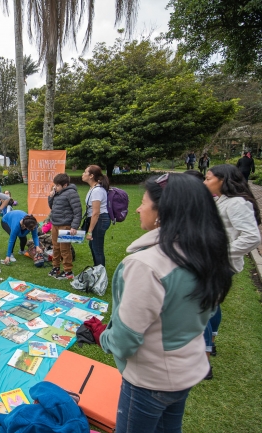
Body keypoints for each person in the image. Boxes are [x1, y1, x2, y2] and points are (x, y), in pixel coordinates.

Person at [100, 173, 233, 432]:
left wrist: (104, 338)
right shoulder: (208, 251)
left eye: (144, 202)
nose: (138, 208)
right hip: (186, 369)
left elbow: (126, 338)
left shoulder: (146, 265)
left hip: (150, 379)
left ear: (163, 212)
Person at [202, 165, 260, 375]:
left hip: (219, 264)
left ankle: (204, 361)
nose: (205, 182)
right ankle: (212, 342)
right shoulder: (223, 200)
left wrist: (221, 253)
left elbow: (252, 237)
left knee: (203, 309)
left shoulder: (237, 203)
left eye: (208, 179)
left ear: (223, 180)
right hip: (214, 263)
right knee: (213, 306)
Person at [47, 173, 83, 279]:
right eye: (55, 185)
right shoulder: (57, 193)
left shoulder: (71, 193)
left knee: (65, 249)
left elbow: (77, 211)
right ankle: (56, 267)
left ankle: (68, 271)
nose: (55, 187)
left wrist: (74, 226)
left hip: (66, 225)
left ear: (65, 185)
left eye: (57, 185)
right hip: (55, 224)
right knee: (56, 247)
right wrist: (51, 196)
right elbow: (51, 206)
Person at [81, 165, 111, 267]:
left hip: (100, 219)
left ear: (91, 176)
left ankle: (100, 274)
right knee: (93, 245)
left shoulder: (97, 190)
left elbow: (96, 213)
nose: (83, 174)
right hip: (98, 219)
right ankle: (97, 269)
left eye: (85, 172)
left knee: (97, 247)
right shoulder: (93, 188)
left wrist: (90, 232)